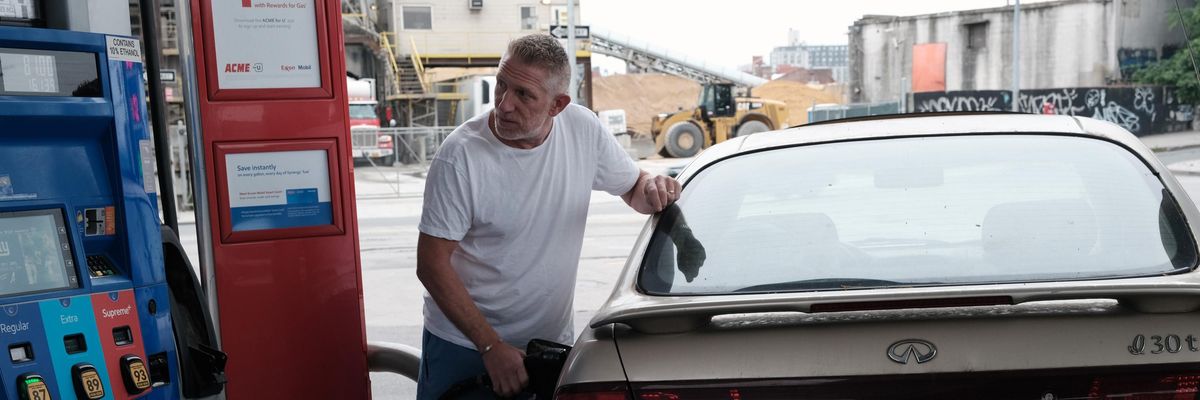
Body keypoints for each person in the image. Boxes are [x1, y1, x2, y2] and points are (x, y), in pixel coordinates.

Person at [415, 33, 683, 399]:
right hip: (464, 345)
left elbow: (633, 187)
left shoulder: (582, 129)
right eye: (501, 85)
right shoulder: (461, 156)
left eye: (523, 95)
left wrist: (653, 187)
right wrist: (490, 347)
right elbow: (431, 265)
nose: (504, 105)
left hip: (546, 345)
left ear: (558, 104)